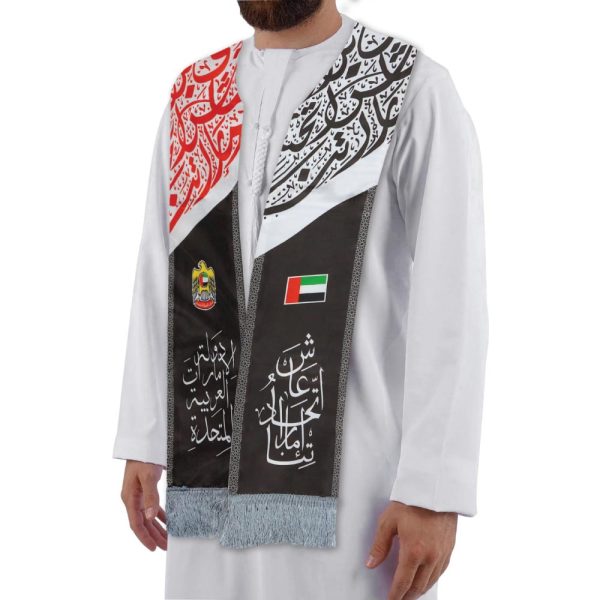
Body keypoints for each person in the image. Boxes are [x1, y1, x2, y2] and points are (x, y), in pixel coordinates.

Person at [113, 1, 488, 598]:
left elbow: (452, 293)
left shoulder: (408, 87)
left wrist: (432, 489)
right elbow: (160, 270)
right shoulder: (194, 98)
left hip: (356, 501)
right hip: (207, 483)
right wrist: (146, 435)